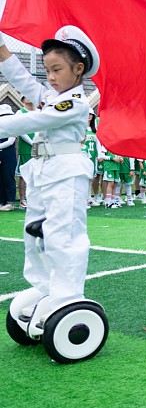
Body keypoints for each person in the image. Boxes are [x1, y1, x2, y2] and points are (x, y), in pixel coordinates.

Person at [0, 26, 100, 332]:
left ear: (78, 69)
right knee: (35, 236)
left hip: (66, 172)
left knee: (63, 238)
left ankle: (67, 296)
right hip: (42, 171)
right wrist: (3, 50)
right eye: (47, 70)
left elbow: (34, 119)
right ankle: (45, 288)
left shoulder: (74, 103)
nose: (51, 77)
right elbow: (21, 79)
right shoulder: (51, 96)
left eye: (57, 69)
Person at [0, 105, 17, 211]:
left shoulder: (13, 127)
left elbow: (10, 142)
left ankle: (10, 202)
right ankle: (1, 201)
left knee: (8, 178)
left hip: (9, 155)